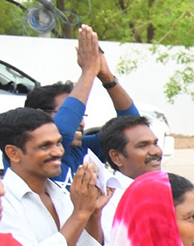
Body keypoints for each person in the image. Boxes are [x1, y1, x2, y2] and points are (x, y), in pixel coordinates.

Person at [0, 108, 109, 246]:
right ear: (13, 153)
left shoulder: (63, 195)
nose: (58, 152)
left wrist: (93, 214)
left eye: (59, 143)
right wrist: (80, 214)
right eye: (45, 146)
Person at [24, 25, 140, 188]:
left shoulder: (83, 148)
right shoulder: (25, 153)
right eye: (72, 114)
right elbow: (62, 131)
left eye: (82, 116)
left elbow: (133, 127)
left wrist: (107, 78)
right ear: (40, 116)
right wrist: (88, 72)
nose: (81, 123)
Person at [97, 114, 163, 238]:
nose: (155, 151)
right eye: (143, 145)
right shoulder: (108, 202)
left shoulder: (173, 186)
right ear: (116, 157)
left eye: (155, 143)